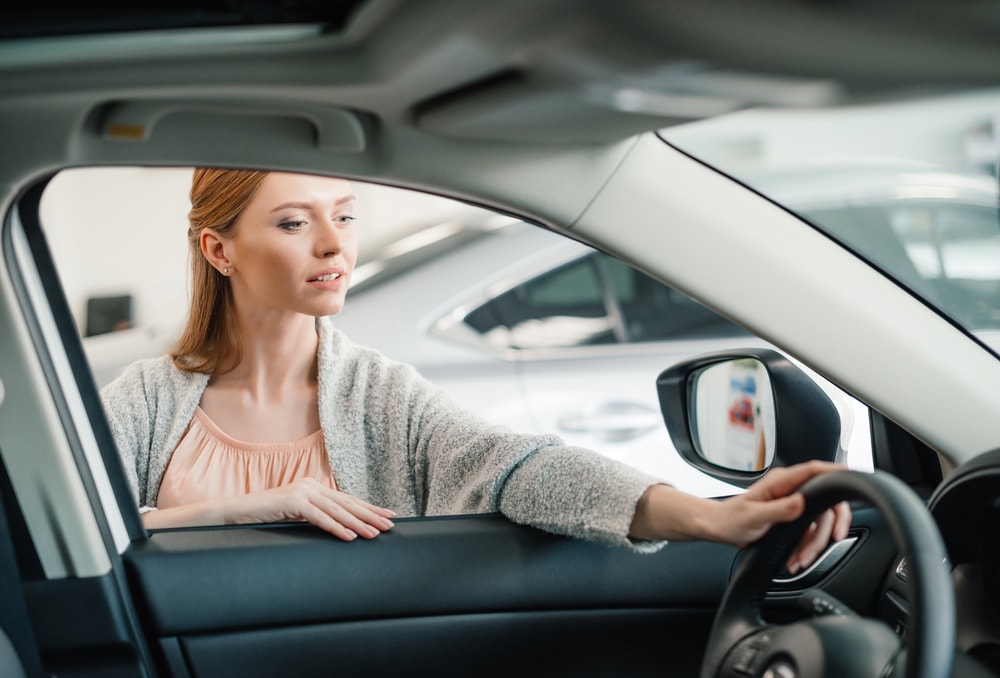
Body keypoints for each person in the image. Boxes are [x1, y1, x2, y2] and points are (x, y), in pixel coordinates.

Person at [101, 168, 850, 574]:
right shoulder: (143, 401)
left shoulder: (384, 398)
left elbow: (522, 468)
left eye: (346, 214)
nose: (335, 245)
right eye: (295, 222)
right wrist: (238, 512)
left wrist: (710, 517)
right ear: (219, 251)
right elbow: (62, 541)